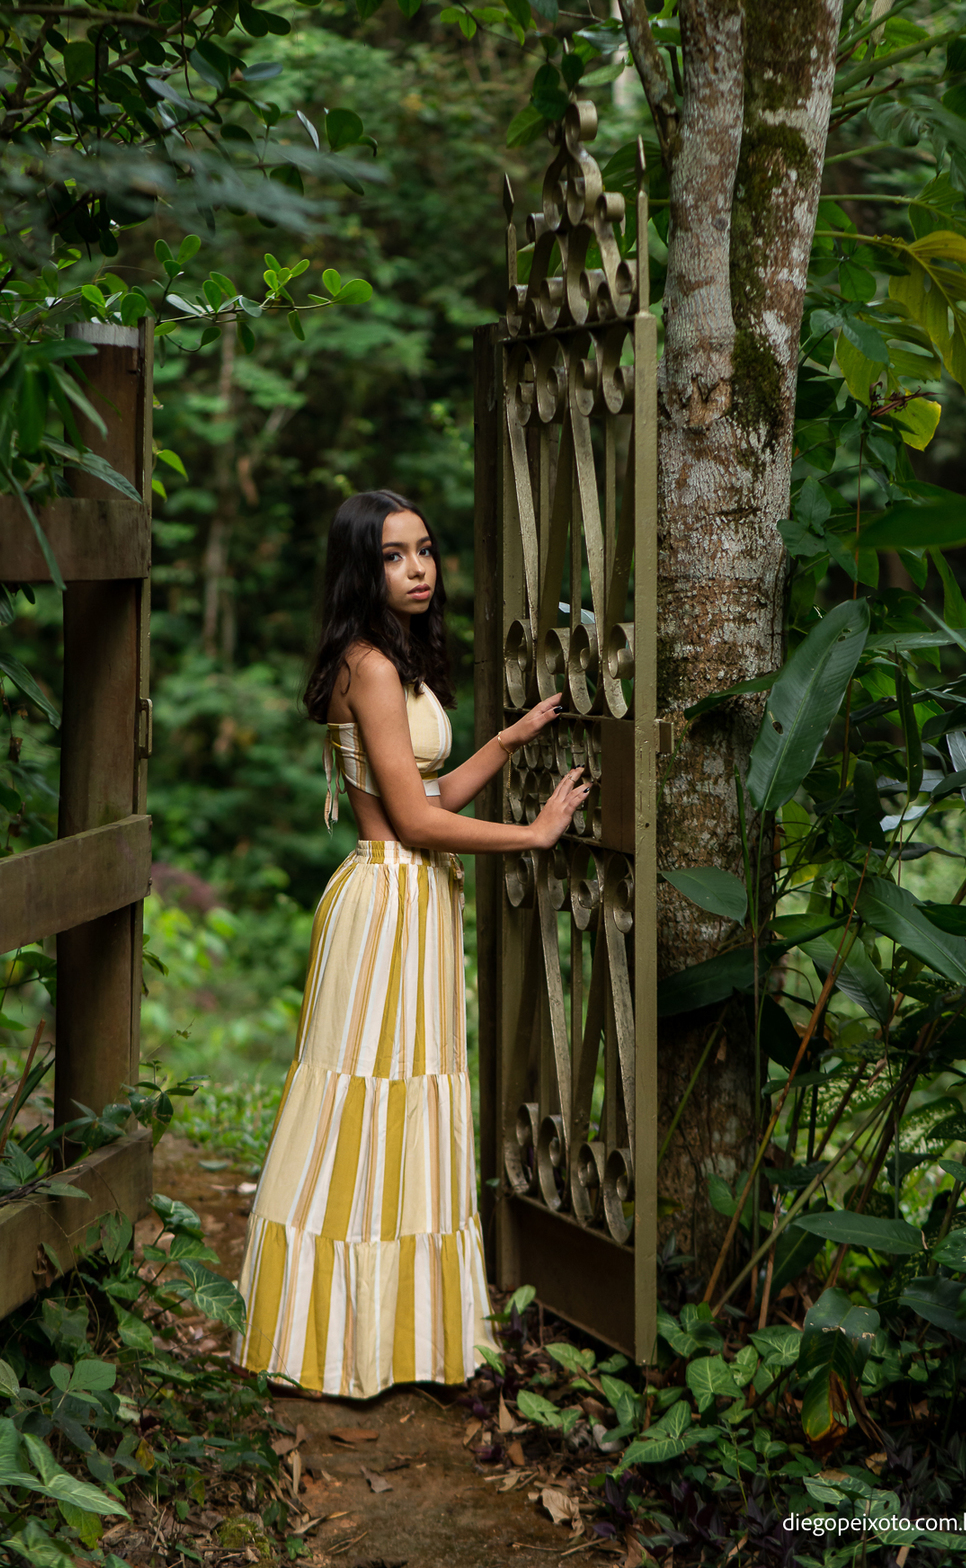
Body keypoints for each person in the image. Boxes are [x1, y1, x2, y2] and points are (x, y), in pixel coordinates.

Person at [232, 489, 588, 1398]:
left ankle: (399, 1341)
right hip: (391, 899)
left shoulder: (392, 661)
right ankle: (320, 1339)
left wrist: (507, 742)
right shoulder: (372, 668)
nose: (420, 568)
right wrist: (532, 837)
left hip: (412, 902)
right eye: (396, 556)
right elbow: (417, 824)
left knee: (409, 1107)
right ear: (364, 568)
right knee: (358, 1107)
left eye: (425, 550)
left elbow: (430, 793)